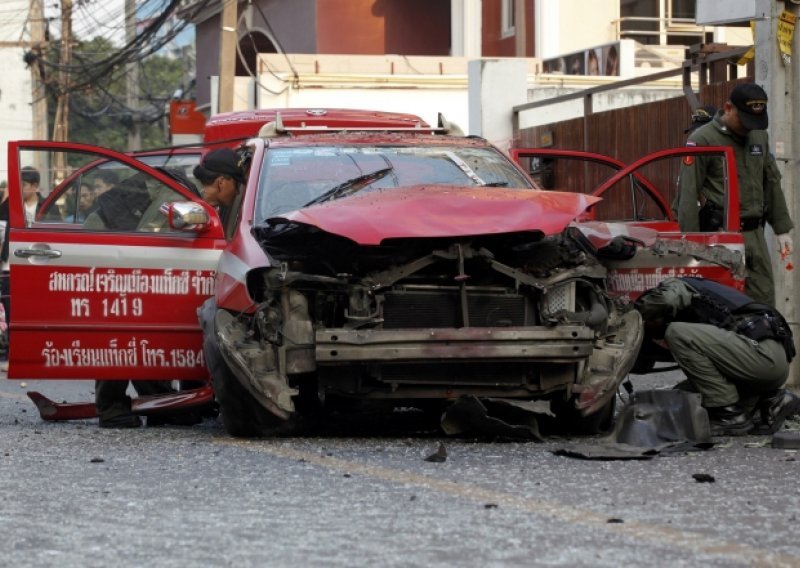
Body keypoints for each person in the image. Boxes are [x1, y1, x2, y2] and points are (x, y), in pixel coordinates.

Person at [635, 276, 800, 436]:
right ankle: (770, 401)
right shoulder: (697, 311)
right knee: (680, 398)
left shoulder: (678, 285)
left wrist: (632, 314)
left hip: (763, 355)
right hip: (760, 363)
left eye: (648, 323)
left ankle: (729, 415)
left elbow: (666, 299)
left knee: (676, 333)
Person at [676, 83, 793, 306]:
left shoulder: (758, 136)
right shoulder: (703, 140)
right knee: (725, 304)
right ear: (728, 108)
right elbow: (688, 194)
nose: (748, 128)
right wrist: (690, 244)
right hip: (720, 237)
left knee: (764, 301)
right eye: (744, 120)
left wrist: (782, 228)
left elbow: (771, 180)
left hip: (755, 236)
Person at [193, 148, 245, 236]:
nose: (238, 192)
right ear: (221, 182)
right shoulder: (192, 211)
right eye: (236, 185)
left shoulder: (206, 206)